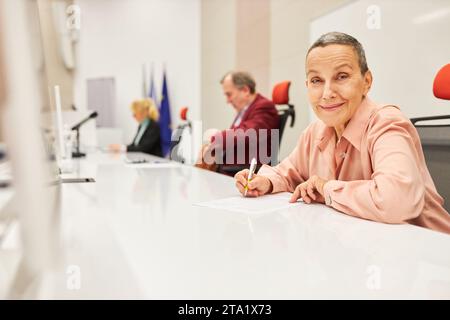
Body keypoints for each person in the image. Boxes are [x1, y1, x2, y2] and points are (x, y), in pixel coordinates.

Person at [234, 32, 450, 234]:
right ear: (307, 85)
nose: (327, 94)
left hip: (429, 255)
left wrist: (327, 189)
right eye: (317, 81)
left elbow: (396, 200)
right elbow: (286, 172)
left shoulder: (386, 123)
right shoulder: (315, 131)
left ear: (367, 82)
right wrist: (264, 181)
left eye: (342, 76)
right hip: (366, 247)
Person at [196, 71, 279, 174]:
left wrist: (214, 141)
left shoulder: (264, 106)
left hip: (245, 172)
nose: (227, 101)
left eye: (229, 94)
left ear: (245, 90)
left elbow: (247, 132)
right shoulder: (245, 111)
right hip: (233, 168)